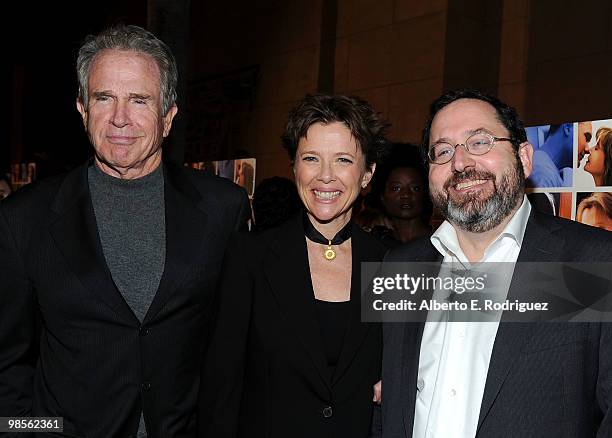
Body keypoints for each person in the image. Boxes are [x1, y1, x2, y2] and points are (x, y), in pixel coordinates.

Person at [0, 25, 250, 438]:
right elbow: (7, 365)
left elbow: (235, 347)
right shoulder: (23, 220)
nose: (120, 118)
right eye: (104, 98)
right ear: (82, 110)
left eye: (138, 100)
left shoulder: (223, 208)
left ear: (168, 117)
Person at [372, 89, 612, 437]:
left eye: (480, 142)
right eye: (443, 151)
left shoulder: (591, 261)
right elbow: (386, 403)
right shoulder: (401, 267)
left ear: (525, 158)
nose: (460, 162)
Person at [199, 94, 389, 438]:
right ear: (294, 167)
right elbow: (220, 387)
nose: (325, 176)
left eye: (343, 160)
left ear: (367, 174)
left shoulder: (389, 264)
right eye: (311, 158)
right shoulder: (249, 257)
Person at [370, 144, 432, 244]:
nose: (406, 195)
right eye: (396, 188)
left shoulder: (440, 243)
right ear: (382, 197)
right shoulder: (373, 244)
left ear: (425, 194)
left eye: (415, 188)